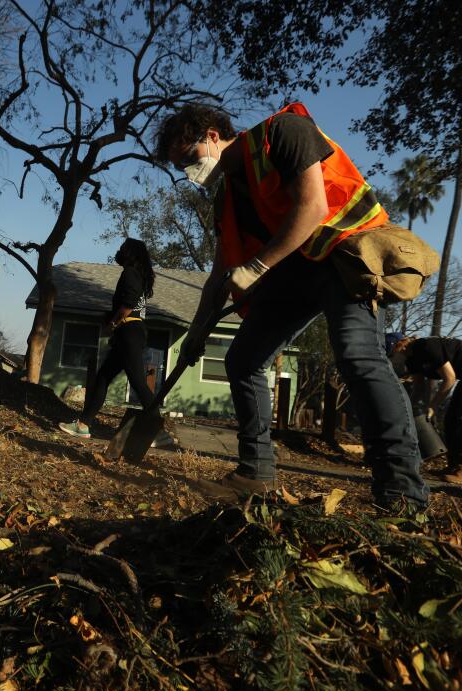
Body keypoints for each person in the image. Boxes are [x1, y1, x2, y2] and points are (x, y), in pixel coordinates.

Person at [154, 102, 429, 510]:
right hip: (293, 275)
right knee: (243, 360)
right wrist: (196, 332)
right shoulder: (227, 197)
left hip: (344, 255)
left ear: (212, 135)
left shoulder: (282, 132)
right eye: (182, 169)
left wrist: (257, 266)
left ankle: (402, 492)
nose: (191, 172)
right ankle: (255, 474)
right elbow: (218, 275)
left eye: (190, 158)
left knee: (358, 357)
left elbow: (313, 207)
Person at [59, 238, 172, 446]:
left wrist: (112, 323)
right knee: (103, 377)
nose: (118, 251)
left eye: (122, 249)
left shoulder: (130, 273)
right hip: (131, 332)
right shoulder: (139, 275)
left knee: (138, 382)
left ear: (130, 253)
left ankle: (159, 431)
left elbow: (127, 305)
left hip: (129, 330)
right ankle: (83, 425)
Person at [390, 336, 462, 483]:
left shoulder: (426, 346)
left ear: (399, 345)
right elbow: (418, 388)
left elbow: (450, 378)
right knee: (451, 420)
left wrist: (432, 406)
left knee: (460, 419)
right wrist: (406, 411)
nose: (391, 359)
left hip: (455, 376)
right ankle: (453, 466)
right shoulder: (411, 360)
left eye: (391, 353)